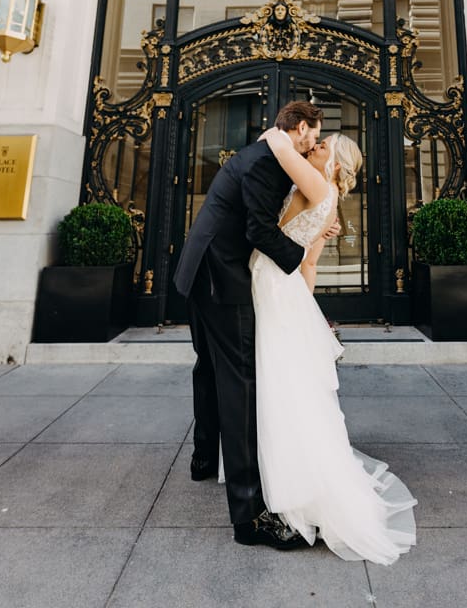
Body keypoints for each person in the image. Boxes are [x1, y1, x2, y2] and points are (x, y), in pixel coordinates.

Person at [251, 126, 417, 565]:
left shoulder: (316, 182)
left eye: (320, 146)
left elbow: (281, 149)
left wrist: (280, 133)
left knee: (279, 389)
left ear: (335, 164)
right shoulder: (331, 203)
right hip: (285, 292)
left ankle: (292, 487)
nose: (312, 147)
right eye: (314, 143)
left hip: (270, 284)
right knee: (291, 389)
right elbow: (308, 265)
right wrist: (303, 315)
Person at [172, 101, 324, 549]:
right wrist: (298, 260)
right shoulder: (267, 163)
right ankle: (249, 517)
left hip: (198, 273)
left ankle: (203, 457)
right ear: (299, 129)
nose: (314, 146)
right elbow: (259, 230)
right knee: (240, 385)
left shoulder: (259, 155)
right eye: (313, 137)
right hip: (221, 280)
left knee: (209, 368)